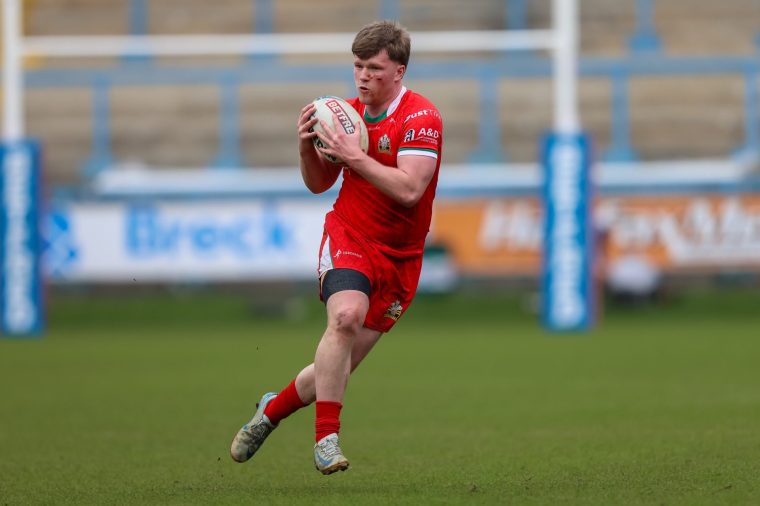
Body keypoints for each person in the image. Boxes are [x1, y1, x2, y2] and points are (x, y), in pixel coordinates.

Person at [230, 20, 443, 475]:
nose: (363, 76)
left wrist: (353, 155)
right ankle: (327, 439)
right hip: (349, 234)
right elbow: (317, 184)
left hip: (401, 258)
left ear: (399, 72)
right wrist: (307, 147)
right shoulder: (341, 115)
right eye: (357, 66)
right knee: (344, 317)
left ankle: (271, 410)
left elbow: (409, 190)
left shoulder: (422, 118)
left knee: (337, 368)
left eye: (374, 68)